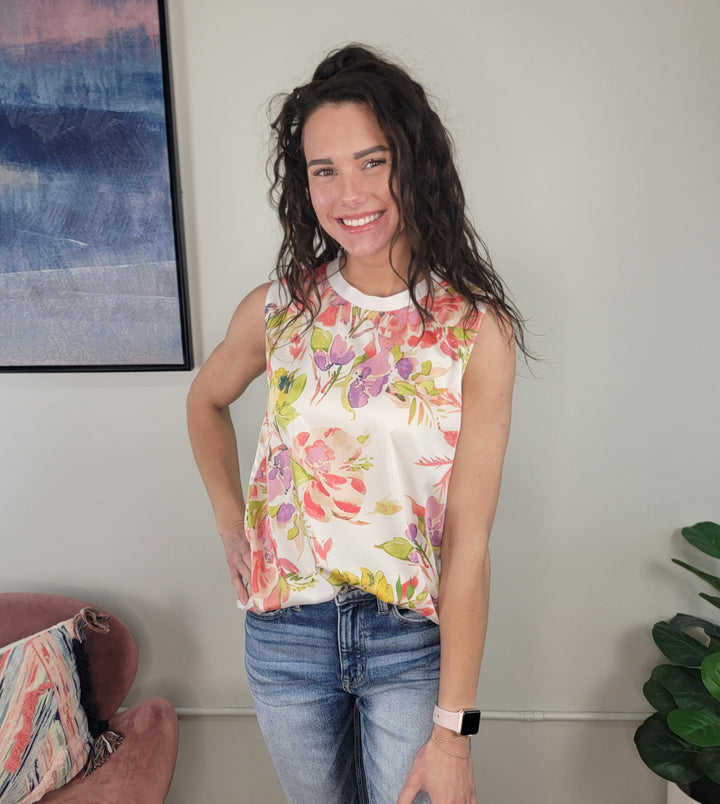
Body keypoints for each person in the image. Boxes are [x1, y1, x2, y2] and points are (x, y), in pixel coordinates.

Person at [187, 44, 528, 804]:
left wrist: (454, 733)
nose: (351, 192)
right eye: (324, 169)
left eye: (373, 161)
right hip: (285, 637)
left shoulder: (474, 330)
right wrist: (228, 519)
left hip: (411, 641)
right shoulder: (279, 308)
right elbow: (203, 402)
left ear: (415, 162)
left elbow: (469, 545)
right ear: (302, 182)